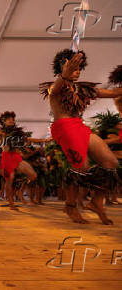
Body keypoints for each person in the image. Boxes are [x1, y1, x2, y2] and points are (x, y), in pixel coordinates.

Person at [39, 49, 122, 224]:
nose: (76, 71)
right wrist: (64, 76)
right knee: (81, 167)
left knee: (110, 162)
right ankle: (70, 206)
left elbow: (114, 93)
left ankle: (96, 202)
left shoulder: (84, 89)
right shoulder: (54, 87)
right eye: (72, 68)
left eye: (78, 69)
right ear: (61, 68)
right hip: (64, 127)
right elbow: (55, 90)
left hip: (80, 126)